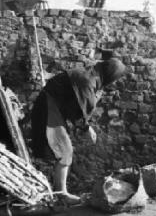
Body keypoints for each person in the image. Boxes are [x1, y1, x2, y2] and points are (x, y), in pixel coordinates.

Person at [30, 56, 126, 204]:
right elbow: (80, 110)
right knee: (65, 150)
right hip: (49, 108)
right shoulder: (87, 80)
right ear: (111, 76)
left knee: (64, 151)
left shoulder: (91, 77)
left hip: (53, 109)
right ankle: (61, 195)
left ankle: (59, 193)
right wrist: (87, 128)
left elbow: (75, 104)